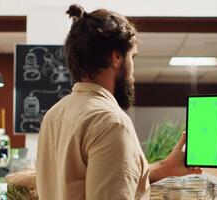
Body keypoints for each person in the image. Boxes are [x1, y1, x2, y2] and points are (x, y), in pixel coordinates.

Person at [36, 4, 201, 200]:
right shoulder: (111, 122)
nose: (132, 71)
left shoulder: (54, 113)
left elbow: (90, 179)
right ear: (116, 57)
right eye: (132, 57)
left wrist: (165, 168)